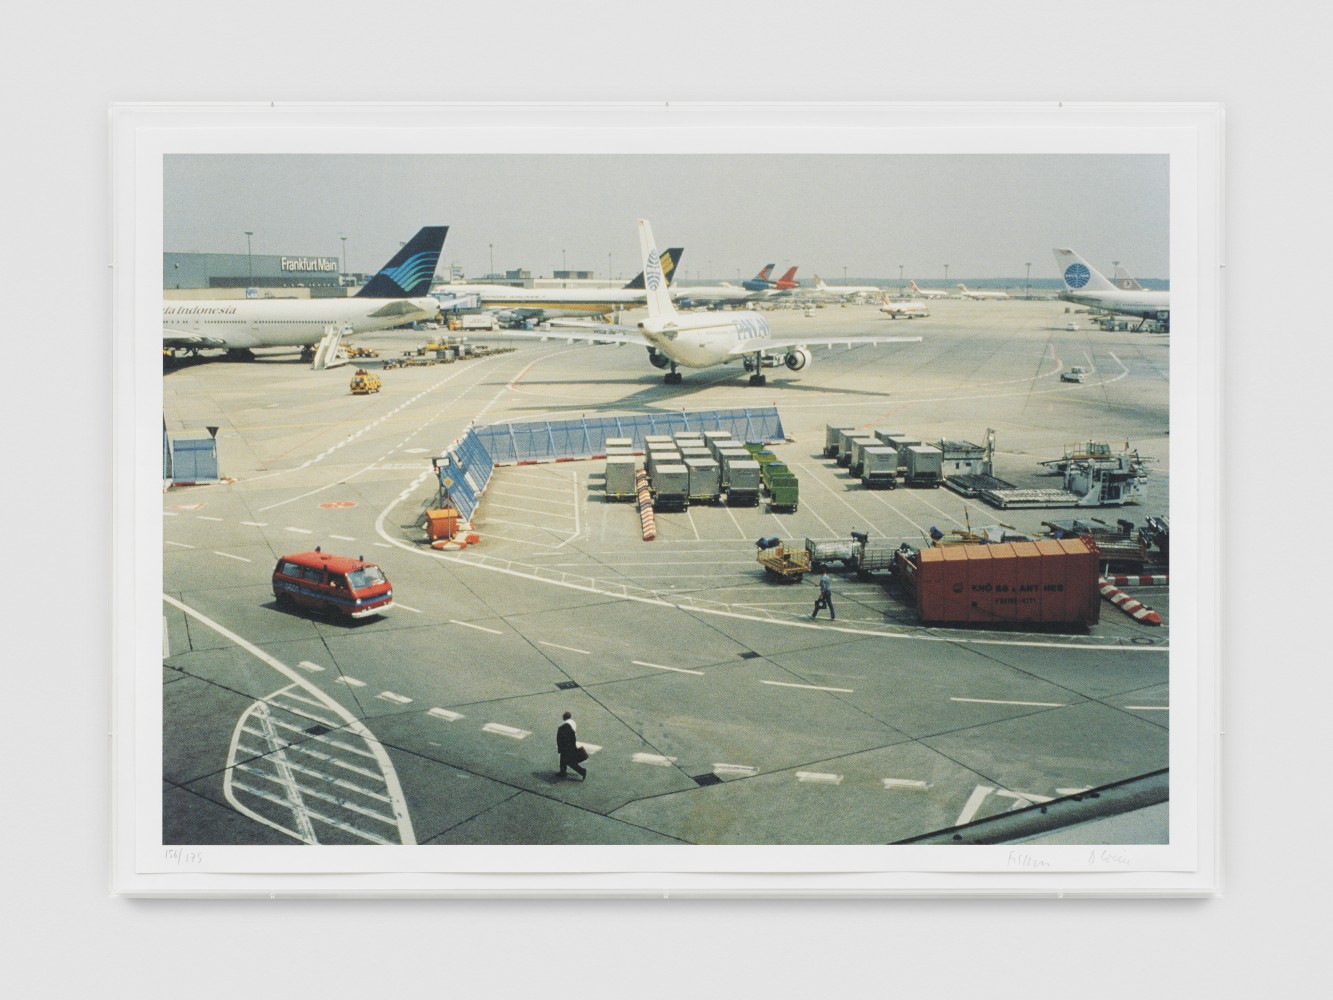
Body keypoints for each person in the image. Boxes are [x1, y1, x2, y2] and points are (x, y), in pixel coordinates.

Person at [556, 711, 587, 780]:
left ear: (564, 717)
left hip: (566, 746)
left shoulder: (564, 725)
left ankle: (582, 771)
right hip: (572, 743)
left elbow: (561, 737)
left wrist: (560, 747)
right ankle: (562, 772)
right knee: (563, 760)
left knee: (569, 761)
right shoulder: (573, 722)